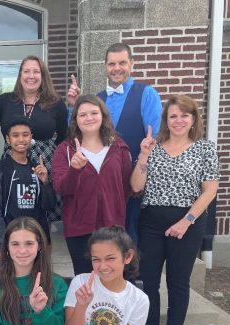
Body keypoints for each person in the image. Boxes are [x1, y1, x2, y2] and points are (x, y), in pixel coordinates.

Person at [130, 94, 219, 325]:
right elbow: (136, 186)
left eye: (184, 115)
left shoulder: (205, 148)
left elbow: (210, 190)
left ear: (193, 119)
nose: (178, 121)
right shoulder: (153, 146)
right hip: (151, 222)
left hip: (188, 223)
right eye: (173, 116)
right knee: (148, 281)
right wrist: (144, 156)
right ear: (165, 120)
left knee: (178, 282)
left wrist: (186, 221)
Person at [67, 43, 161, 243]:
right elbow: (76, 133)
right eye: (111, 64)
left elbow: (155, 139)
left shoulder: (146, 93)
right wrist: (73, 106)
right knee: (104, 239)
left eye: (122, 63)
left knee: (129, 239)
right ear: (105, 67)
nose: (116, 68)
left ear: (132, 64)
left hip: (133, 182)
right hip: (103, 183)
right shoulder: (97, 99)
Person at [0, 56, 67, 221]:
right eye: (26, 71)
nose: (31, 76)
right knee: (12, 212)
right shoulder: (6, 100)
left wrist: (51, 156)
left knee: (42, 215)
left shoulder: (55, 103)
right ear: (20, 75)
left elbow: (63, 135)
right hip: (12, 161)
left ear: (43, 75)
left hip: (43, 164)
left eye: (36, 71)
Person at [53, 95, 133, 275]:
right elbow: (60, 188)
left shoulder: (119, 147)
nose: (89, 118)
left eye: (94, 113)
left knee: (112, 279)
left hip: (112, 227)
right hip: (79, 229)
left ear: (103, 116)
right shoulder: (64, 150)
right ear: (75, 120)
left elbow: (126, 188)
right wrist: (74, 169)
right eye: (82, 115)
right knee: (85, 282)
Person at [0, 117, 53, 272]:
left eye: (25, 135)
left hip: (34, 241)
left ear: (31, 138)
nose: (21, 139)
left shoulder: (37, 169)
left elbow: (48, 206)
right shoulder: (0, 168)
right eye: (15, 135)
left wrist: (45, 183)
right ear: (8, 139)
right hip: (8, 241)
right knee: (5, 288)